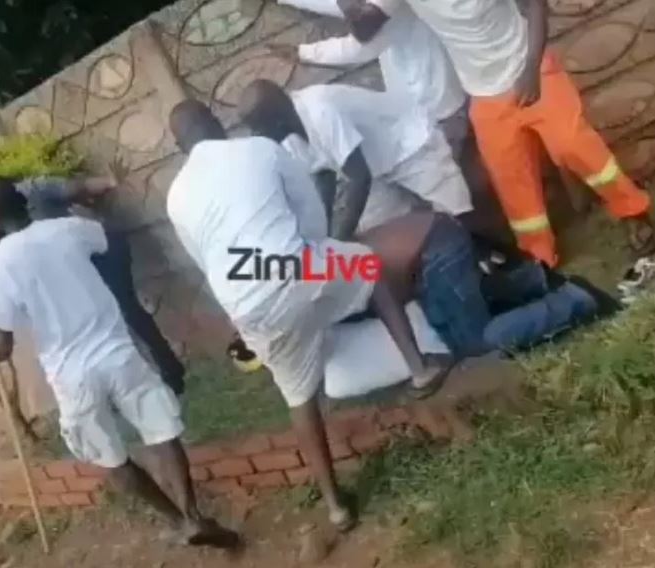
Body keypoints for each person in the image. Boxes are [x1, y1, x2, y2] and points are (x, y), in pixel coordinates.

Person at [166, 99, 450, 531]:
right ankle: (420, 369)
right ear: (216, 122)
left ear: (179, 146)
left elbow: (205, 261)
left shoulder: (175, 197)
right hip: (291, 264)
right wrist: (315, 257)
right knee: (368, 267)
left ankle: (335, 506)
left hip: (244, 301)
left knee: (297, 395)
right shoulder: (259, 149)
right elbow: (312, 216)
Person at [0, 182, 238, 547]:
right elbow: (106, 240)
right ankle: (192, 515)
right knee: (161, 431)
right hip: (118, 355)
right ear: (21, 198)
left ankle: (177, 522)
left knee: (110, 459)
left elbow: (0, 348)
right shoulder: (68, 229)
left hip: (71, 378)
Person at [358, 0, 655, 267]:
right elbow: (364, 27)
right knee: (513, 181)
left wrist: (531, 69)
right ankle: (540, 257)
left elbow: (536, 5)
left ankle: (632, 210)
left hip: (531, 70)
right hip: (485, 96)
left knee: (572, 145)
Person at [0, 171, 186, 396]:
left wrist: (107, 182)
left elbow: (76, 188)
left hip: (101, 250)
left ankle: (169, 372)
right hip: (77, 266)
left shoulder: (32, 190)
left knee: (126, 309)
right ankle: (130, 383)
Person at [357, 211, 618, 360]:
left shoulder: (333, 274)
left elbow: (380, 290)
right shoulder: (331, 260)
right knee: (452, 327)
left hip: (434, 252)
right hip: (428, 247)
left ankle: (574, 299)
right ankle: (532, 280)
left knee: (475, 343)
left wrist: (418, 367)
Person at [238, 80, 473, 240]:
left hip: (409, 145)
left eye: (258, 129)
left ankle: (488, 261)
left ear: (277, 122)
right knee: (385, 234)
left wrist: (339, 240)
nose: (256, 136)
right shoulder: (289, 139)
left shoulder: (321, 111)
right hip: (376, 171)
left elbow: (360, 178)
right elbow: (323, 174)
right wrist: (325, 233)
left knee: (460, 215)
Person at [271, 0, 469, 155]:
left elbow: (360, 48)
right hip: (424, 91)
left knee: (448, 163)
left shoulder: (380, 12)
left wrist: (304, 53)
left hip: (440, 101)